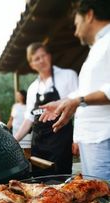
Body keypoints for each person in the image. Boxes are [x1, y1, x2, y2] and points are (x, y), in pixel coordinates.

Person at [39, 0, 110, 181]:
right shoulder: (97, 48)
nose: (75, 30)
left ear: (89, 15)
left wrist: (78, 101)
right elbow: (85, 90)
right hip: (92, 139)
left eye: (76, 23)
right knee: (95, 196)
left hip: (103, 137)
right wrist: (63, 102)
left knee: (104, 199)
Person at [14, 42, 78, 176]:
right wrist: (13, 141)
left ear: (49, 56)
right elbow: (29, 119)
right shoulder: (32, 88)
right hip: (38, 144)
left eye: (43, 55)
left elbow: (79, 109)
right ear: (32, 64)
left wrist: (77, 139)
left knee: (60, 183)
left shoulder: (68, 76)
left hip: (60, 142)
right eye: (37, 58)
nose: (42, 60)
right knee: (38, 183)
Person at [7, 90, 32, 154]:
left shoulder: (29, 106)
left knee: (27, 152)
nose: (17, 97)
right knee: (17, 151)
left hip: (26, 132)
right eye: (16, 95)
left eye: (19, 95)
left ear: (23, 96)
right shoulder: (15, 106)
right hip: (16, 132)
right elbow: (11, 119)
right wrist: (6, 129)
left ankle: (28, 164)